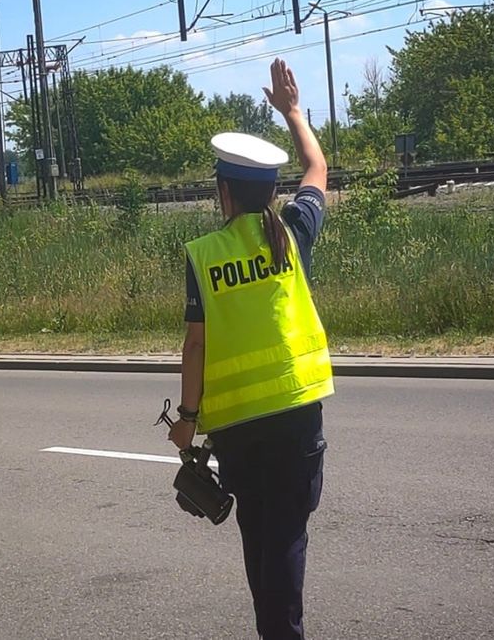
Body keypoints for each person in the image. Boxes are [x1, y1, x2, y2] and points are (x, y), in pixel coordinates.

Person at [168, 58, 333, 640]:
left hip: (238, 427)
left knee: (259, 534)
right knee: (286, 535)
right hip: (295, 415)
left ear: (223, 191)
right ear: (269, 190)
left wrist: (187, 422)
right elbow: (317, 166)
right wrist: (292, 111)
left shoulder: (204, 254)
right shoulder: (290, 232)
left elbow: (195, 344)